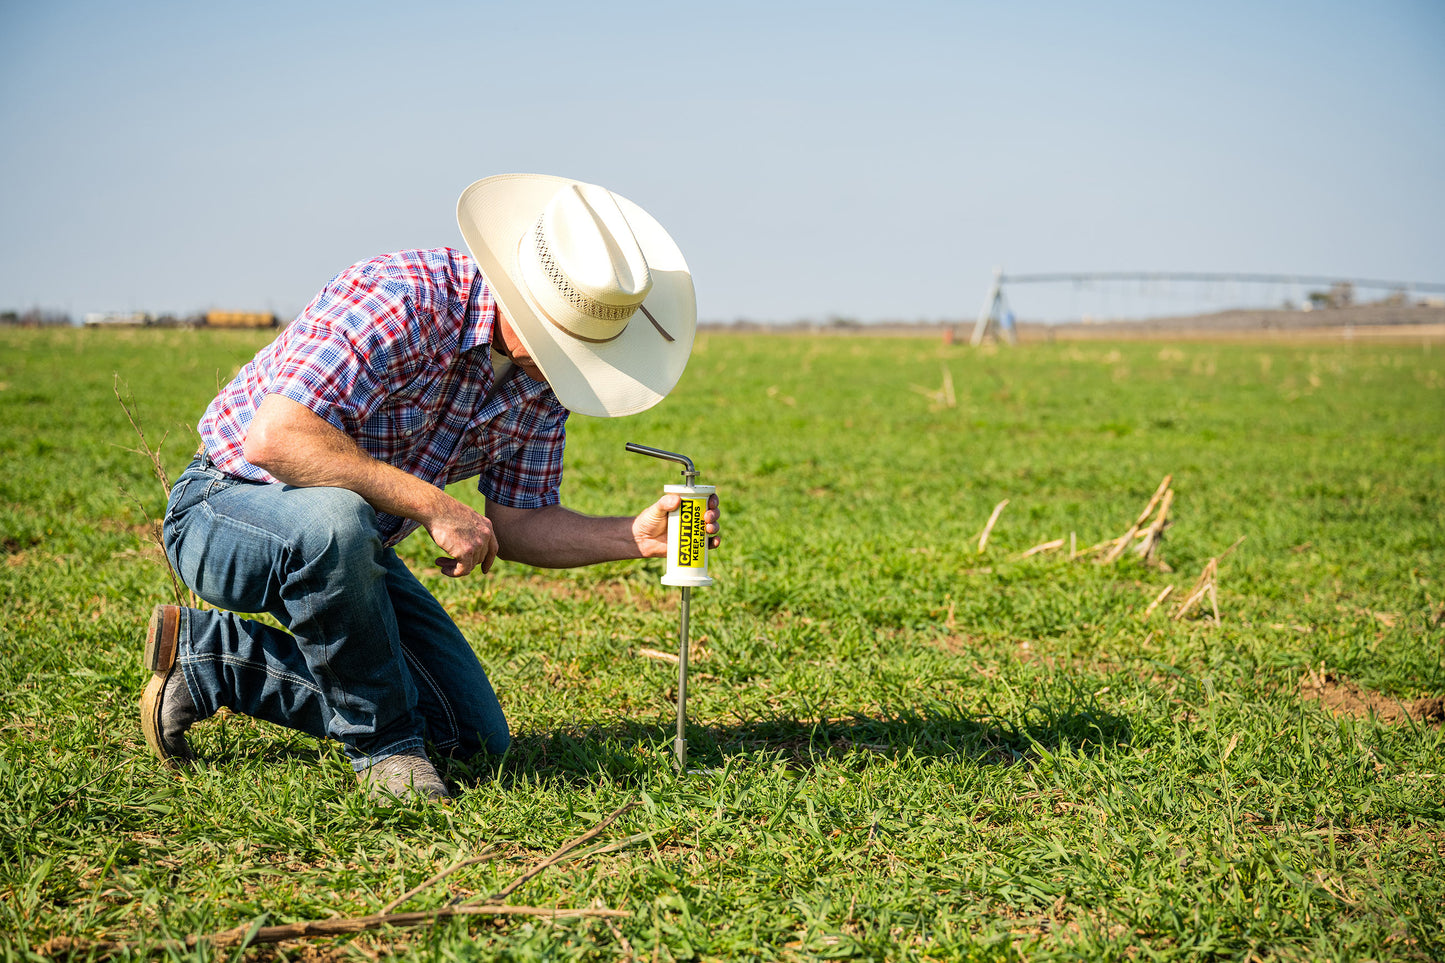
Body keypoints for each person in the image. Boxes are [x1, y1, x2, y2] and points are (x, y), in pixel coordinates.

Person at [140, 174, 721, 802]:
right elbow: (277, 439)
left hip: (350, 553)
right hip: (223, 509)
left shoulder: (548, 381)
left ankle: (215, 662)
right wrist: (433, 504)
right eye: (563, 339)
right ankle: (386, 749)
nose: (571, 360)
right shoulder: (404, 297)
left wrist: (634, 537)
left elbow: (520, 520)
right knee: (335, 519)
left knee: (470, 736)